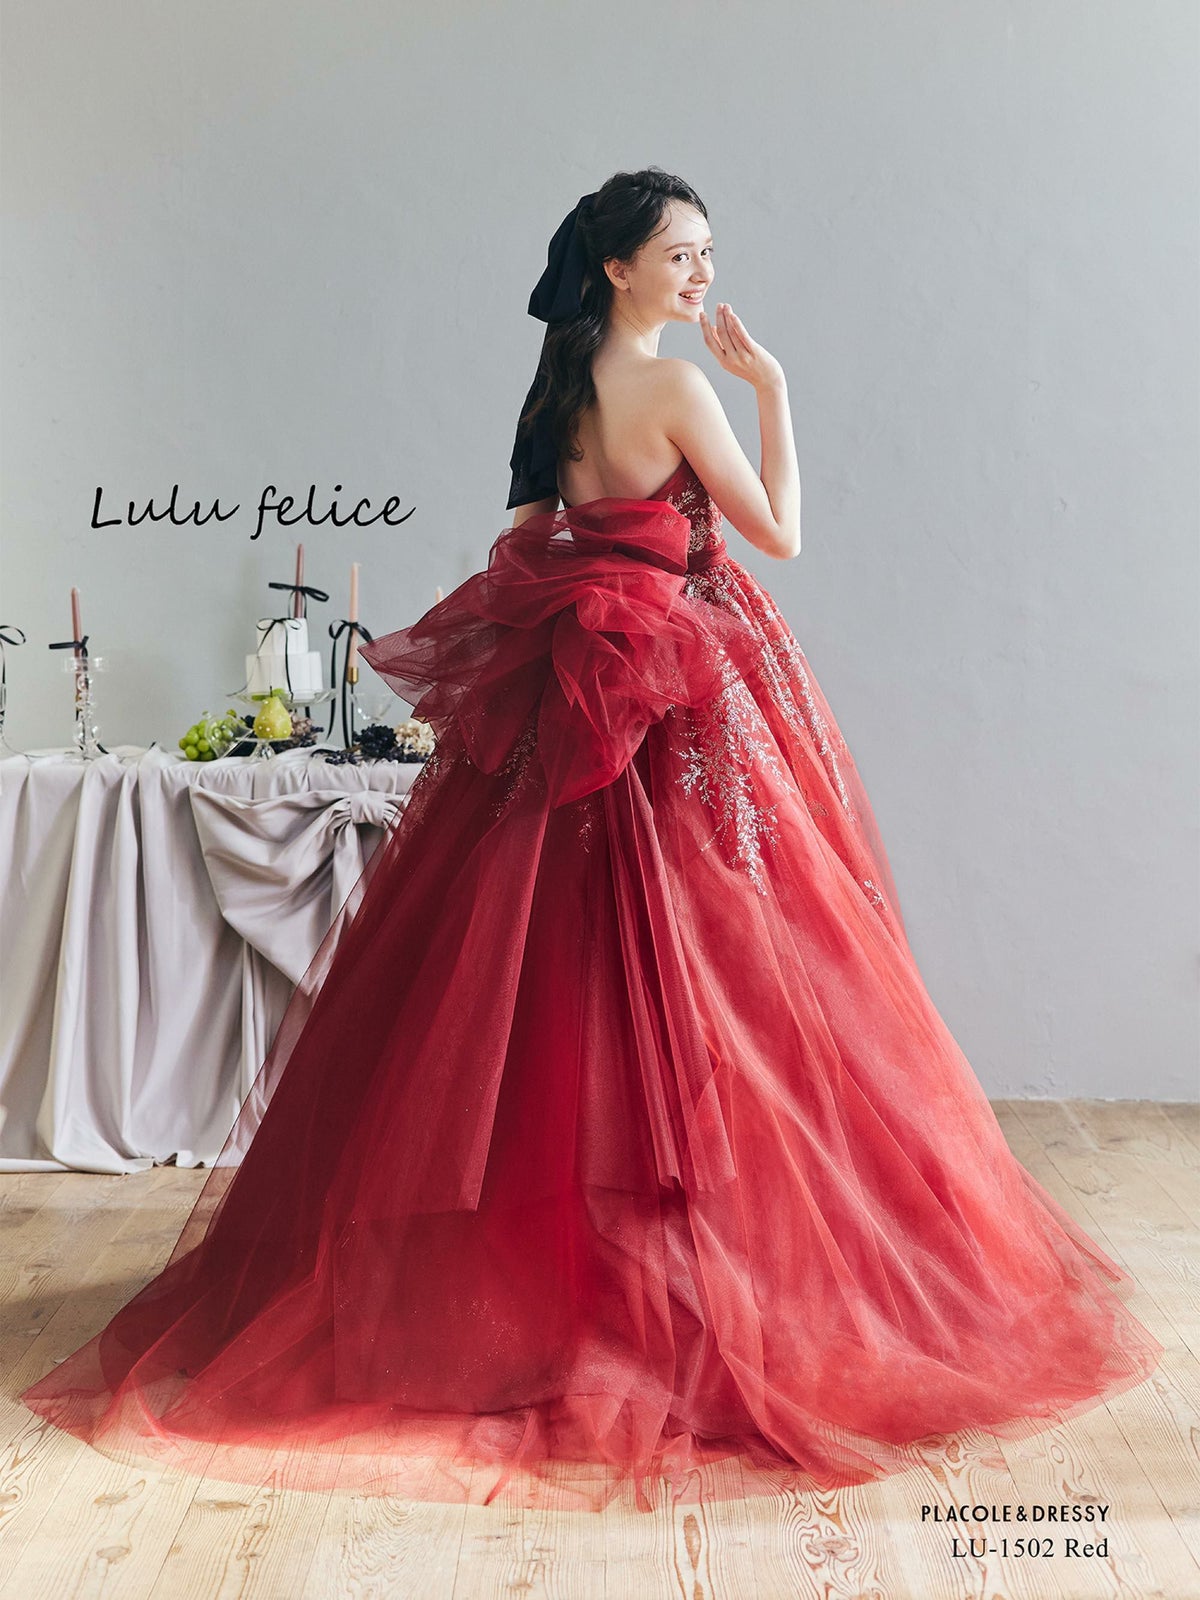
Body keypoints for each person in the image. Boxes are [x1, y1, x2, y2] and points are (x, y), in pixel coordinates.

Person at [21, 167, 1162, 1515]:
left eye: (708, 250)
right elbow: (779, 536)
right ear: (618, 267)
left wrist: (594, 593)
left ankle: (542, 1278)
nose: (703, 273)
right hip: (680, 690)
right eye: (681, 254)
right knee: (725, 962)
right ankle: (682, 1277)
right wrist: (772, 391)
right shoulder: (680, 388)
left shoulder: (553, 392)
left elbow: (522, 545)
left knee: (547, 975)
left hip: (574, 686)